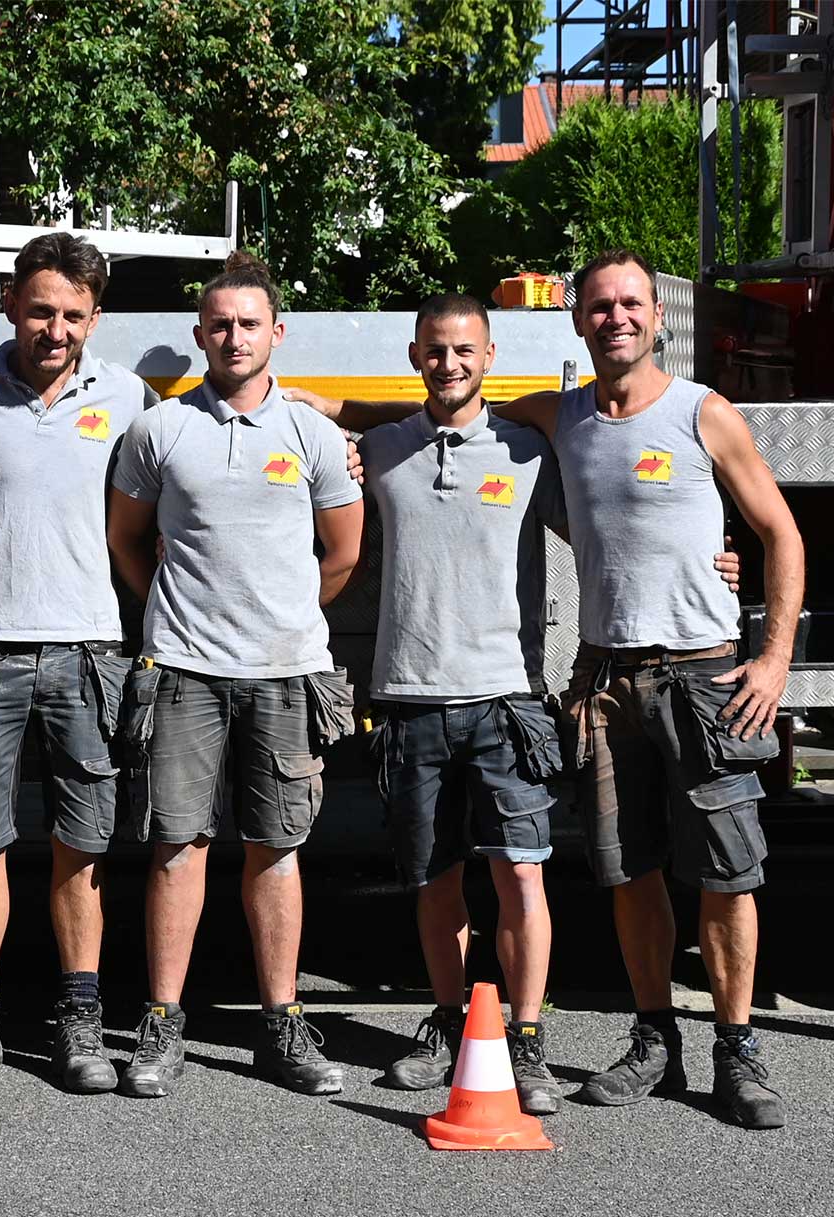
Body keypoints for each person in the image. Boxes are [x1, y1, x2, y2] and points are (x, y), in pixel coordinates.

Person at [296, 249, 803, 1129]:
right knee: (630, 871)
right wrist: (320, 405)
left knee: (725, 872)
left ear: (656, 316)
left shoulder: (702, 414)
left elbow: (780, 531)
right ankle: (654, 1041)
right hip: (605, 679)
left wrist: (772, 657)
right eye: (600, 306)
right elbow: (428, 418)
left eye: (631, 304)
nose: (616, 318)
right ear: (577, 323)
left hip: (701, 673)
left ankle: (737, 1048)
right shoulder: (556, 420)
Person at [105, 251, 364, 1098]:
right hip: (182, 671)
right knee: (176, 848)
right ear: (199, 335)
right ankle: (161, 1025)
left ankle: (282, 1025)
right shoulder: (160, 431)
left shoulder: (313, 436)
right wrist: (180, 612)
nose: (234, 337)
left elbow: (344, 553)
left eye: (250, 323)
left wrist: (283, 616)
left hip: (287, 672)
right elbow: (128, 542)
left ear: (277, 333)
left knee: (276, 850)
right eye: (219, 324)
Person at [0, 233, 156, 1095]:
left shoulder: (127, 397)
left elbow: (193, 448)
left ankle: (79, 1023)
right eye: (42, 310)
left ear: (95, 320)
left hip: (89, 654)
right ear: (11, 304)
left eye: (74, 316)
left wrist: (328, 422)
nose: (56, 329)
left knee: (80, 849)